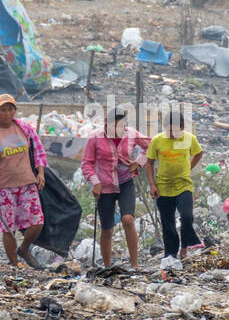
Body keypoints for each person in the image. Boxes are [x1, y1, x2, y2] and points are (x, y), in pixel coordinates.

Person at [0, 94, 47, 267]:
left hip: (27, 182)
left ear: (14, 111)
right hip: (4, 187)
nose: (7, 113)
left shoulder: (24, 127)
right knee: (8, 227)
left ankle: (24, 249)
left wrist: (41, 173)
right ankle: (14, 263)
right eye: (3, 110)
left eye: (10, 109)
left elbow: (38, 150)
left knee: (37, 221)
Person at [81, 108, 150, 271]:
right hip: (104, 186)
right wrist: (94, 181)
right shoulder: (95, 138)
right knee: (107, 229)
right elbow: (86, 163)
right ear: (106, 123)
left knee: (128, 219)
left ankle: (134, 264)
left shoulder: (131, 134)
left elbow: (151, 146)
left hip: (125, 182)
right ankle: (107, 266)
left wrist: (139, 162)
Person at [146, 107, 204, 263]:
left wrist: (189, 167)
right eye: (169, 130)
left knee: (186, 216)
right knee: (167, 223)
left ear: (182, 128)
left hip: (183, 185)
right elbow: (149, 163)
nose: (172, 134)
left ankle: (185, 247)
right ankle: (170, 255)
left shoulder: (189, 138)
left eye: (175, 131)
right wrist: (152, 185)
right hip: (163, 187)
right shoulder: (157, 140)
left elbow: (199, 153)